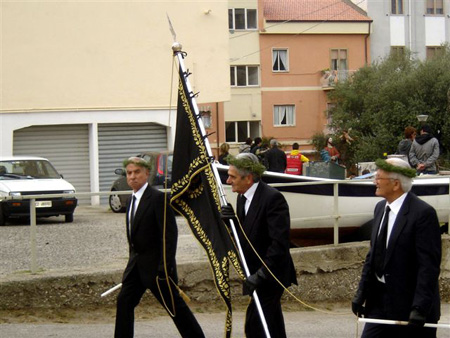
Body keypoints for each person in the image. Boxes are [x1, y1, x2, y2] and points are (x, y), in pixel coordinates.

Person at [114, 157, 205, 338]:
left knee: (175, 308)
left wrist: (165, 268)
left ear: (147, 174)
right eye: (129, 173)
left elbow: (169, 236)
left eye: (137, 172)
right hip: (135, 269)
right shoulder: (131, 201)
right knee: (124, 302)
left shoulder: (158, 198)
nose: (132, 177)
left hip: (157, 270)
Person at [352, 157, 441, 338]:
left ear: (395, 184)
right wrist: (361, 294)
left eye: (379, 177)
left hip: (410, 306)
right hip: (380, 303)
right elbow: (373, 256)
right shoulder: (379, 209)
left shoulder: (423, 214)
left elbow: (428, 267)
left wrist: (419, 308)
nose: (374, 181)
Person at [222, 153, 297, 338]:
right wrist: (232, 222)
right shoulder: (241, 197)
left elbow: (279, 244)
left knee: (255, 325)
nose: (228, 180)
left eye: (232, 176)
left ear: (248, 178)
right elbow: (247, 235)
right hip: (254, 272)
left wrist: (261, 275)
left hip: (271, 275)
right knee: (272, 326)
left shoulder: (273, 198)